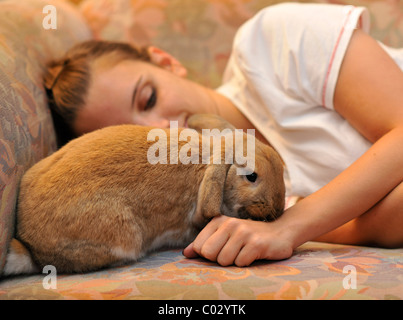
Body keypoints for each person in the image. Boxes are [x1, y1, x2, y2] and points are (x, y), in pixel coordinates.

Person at [44, 3, 403, 267]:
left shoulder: (270, 45)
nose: (163, 134)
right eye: (133, 138)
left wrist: (291, 227)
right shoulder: (233, 206)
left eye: (149, 97)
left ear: (166, 62)